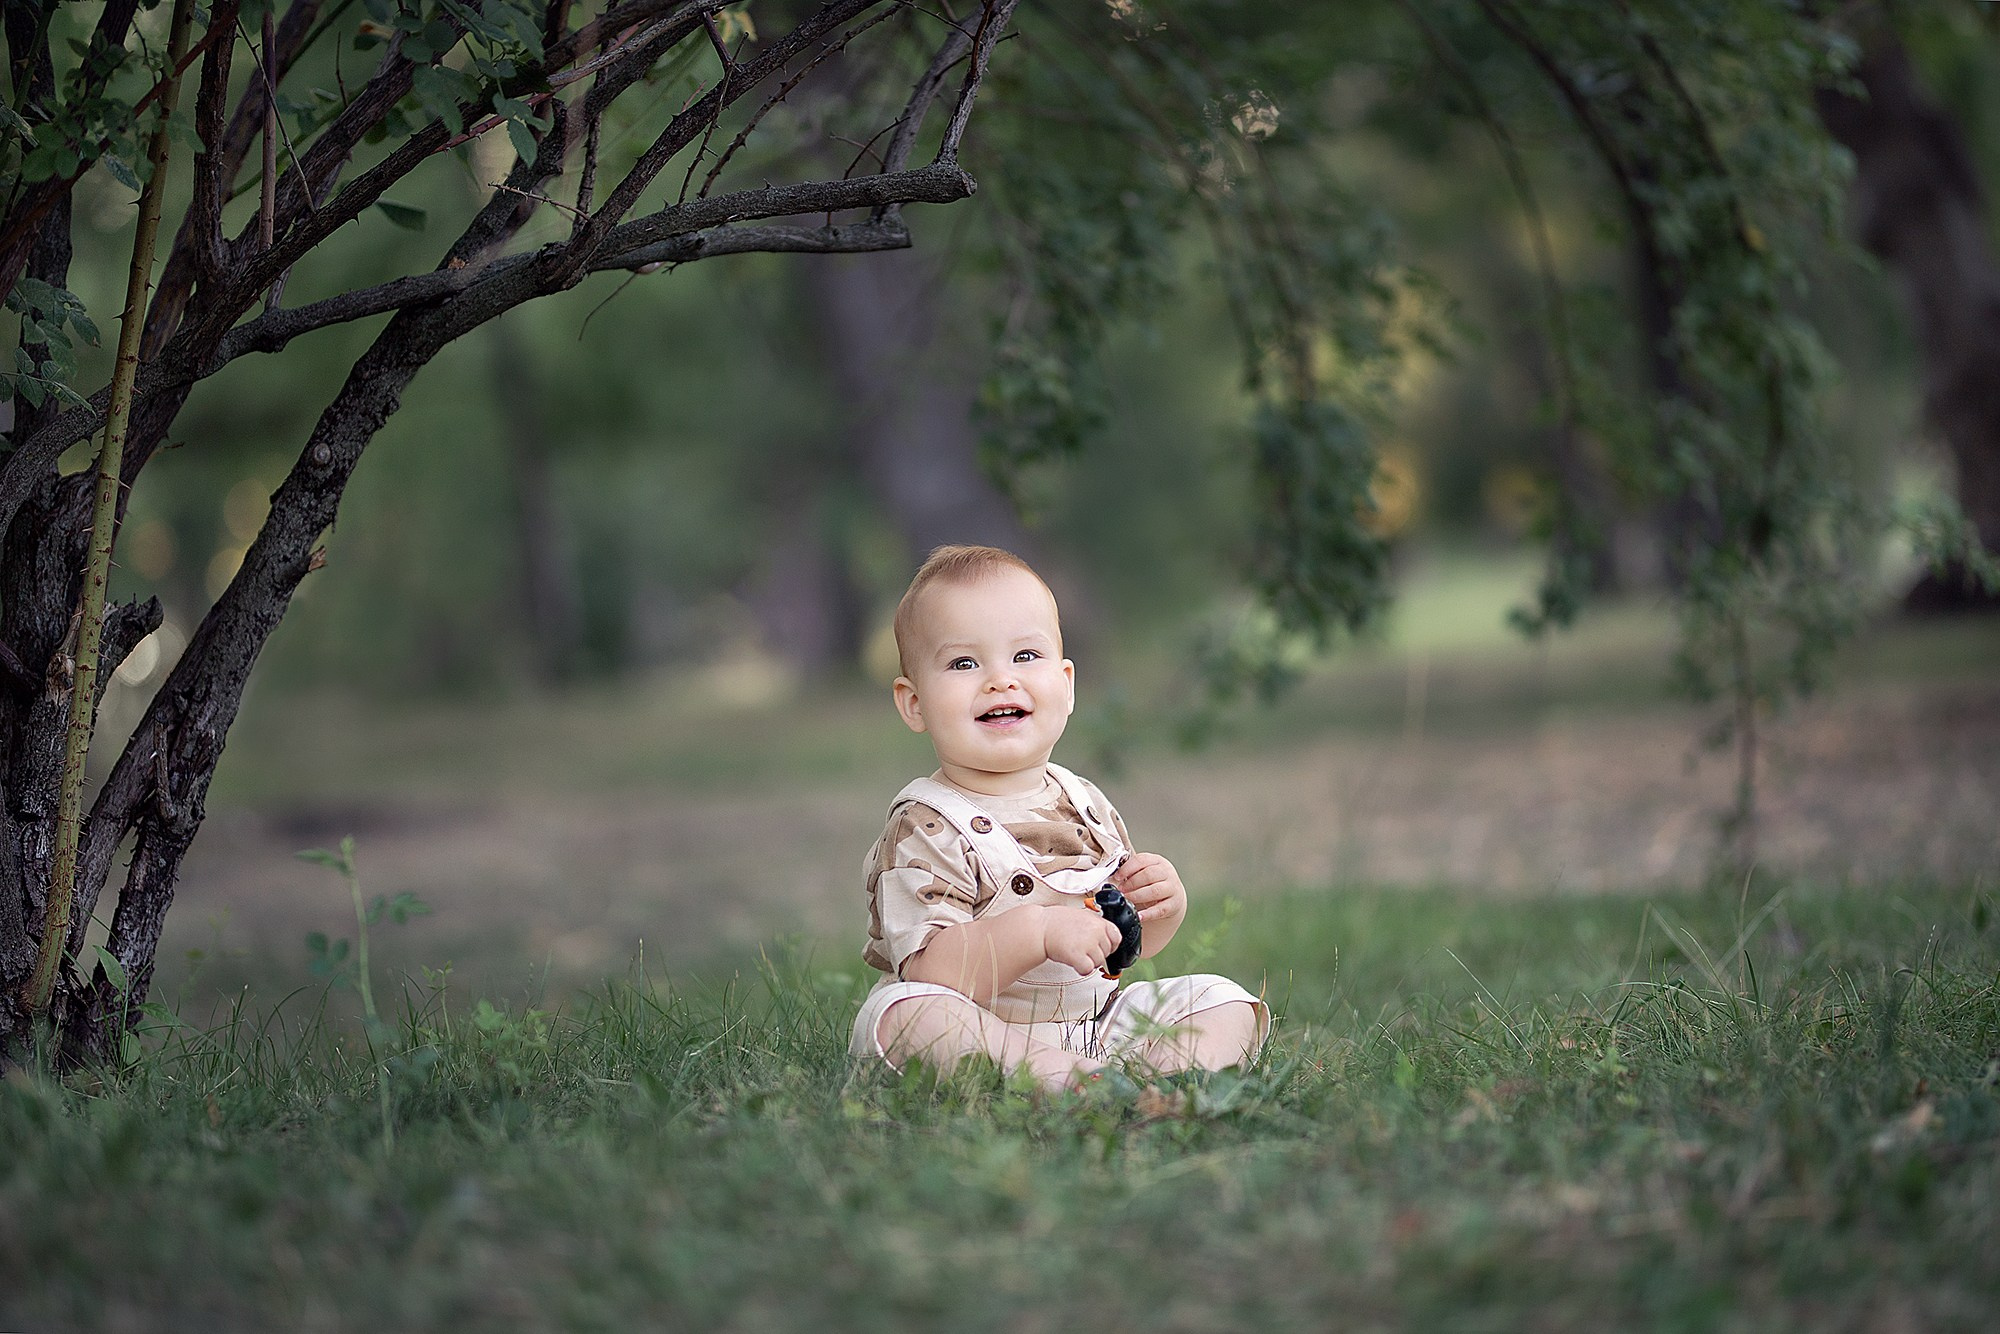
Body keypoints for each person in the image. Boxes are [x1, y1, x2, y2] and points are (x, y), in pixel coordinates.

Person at [851, 544, 1268, 1093]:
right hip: (986, 1032)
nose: (1000, 680)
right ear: (914, 703)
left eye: (1026, 655)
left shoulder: (1084, 801)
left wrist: (1157, 908)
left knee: (1221, 1000)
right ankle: (1072, 1084)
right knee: (909, 1015)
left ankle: (1161, 1085)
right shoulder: (926, 825)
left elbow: (1118, 946)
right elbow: (932, 967)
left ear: (1066, 685)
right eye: (964, 663)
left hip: (1092, 1028)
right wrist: (1039, 931)